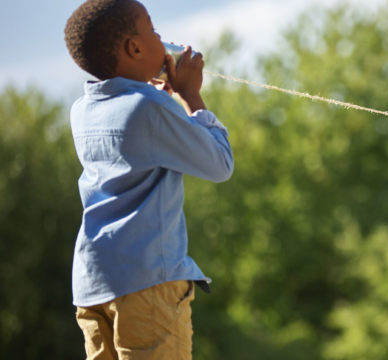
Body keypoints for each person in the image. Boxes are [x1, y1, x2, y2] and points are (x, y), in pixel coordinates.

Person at [64, 0, 234, 358]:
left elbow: (134, 128)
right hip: (146, 285)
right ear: (135, 48)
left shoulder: (82, 110)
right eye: (155, 31)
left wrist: (159, 98)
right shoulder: (148, 108)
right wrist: (190, 94)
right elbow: (220, 164)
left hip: (93, 285)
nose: (164, 39)